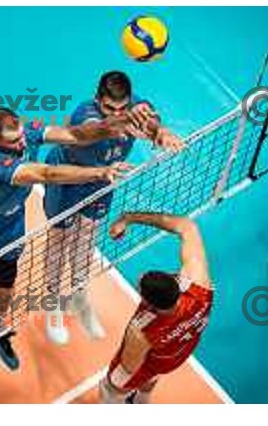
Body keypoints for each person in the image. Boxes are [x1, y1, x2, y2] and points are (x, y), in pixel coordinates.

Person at [0, 107, 139, 371]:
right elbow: (47, 174)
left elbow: (75, 134)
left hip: (11, 225)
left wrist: (115, 123)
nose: (22, 142)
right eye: (13, 141)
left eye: (21, 135)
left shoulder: (28, 133)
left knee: (5, 279)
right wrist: (100, 172)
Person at [43, 71, 184, 345]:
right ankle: (52, 302)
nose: (116, 112)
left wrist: (160, 132)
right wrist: (125, 120)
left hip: (104, 179)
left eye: (122, 107)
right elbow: (99, 130)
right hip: (69, 179)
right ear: (98, 100)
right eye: (109, 107)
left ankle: (78, 297)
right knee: (59, 239)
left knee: (87, 237)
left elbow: (152, 123)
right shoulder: (84, 115)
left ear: (129, 101)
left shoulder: (137, 108)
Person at [99, 211, 213, 404]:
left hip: (149, 362)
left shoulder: (141, 331)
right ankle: (142, 401)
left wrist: (116, 385)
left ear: (149, 304)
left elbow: (129, 367)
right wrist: (129, 217)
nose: (140, 276)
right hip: (179, 352)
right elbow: (186, 226)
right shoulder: (199, 285)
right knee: (153, 374)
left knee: (110, 388)